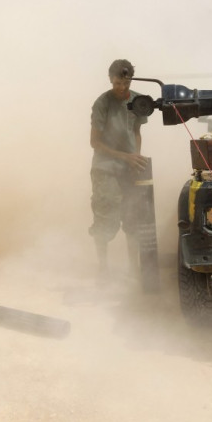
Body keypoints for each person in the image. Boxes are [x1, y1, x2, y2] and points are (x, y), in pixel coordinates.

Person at [89, 59, 149, 281]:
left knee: (132, 217)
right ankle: (103, 269)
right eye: (116, 83)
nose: (121, 88)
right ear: (110, 79)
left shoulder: (137, 101)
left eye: (125, 83)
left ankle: (134, 270)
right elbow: (94, 142)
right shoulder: (102, 104)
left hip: (130, 168)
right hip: (105, 168)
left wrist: (136, 158)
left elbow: (136, 132)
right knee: (105, 218)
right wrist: (125, 157)